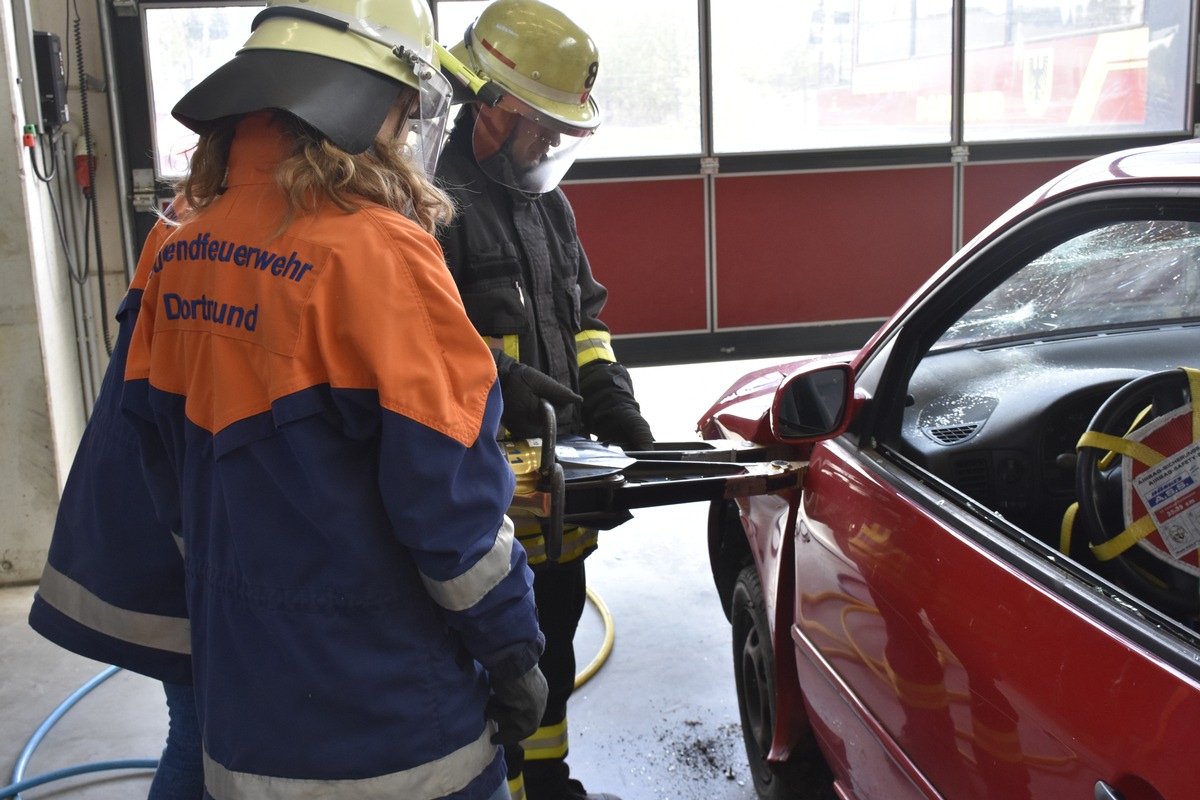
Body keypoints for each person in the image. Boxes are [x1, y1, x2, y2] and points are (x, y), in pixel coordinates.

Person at [42, 0, 550, 797]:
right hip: (392, 724)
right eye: (405, 107)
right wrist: (515, 648)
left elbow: (156, 465)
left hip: (242, 715)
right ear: (366, 102)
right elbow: (451, 515)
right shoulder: (378, 253)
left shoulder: (179, 244)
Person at [436, 3, 654, 799]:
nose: (555, 142)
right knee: (493, 660)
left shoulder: (547, 205)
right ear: (493, 103)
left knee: (553, 638)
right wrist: (498, 386)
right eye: (543, 124)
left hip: (557, 486)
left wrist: (614, 404)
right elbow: (416, 355)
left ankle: (548, 776)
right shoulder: (432, 207)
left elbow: (584, 318)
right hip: (483, 497)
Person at [28, 254, 205, 799]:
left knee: (198, 732)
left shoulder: (185, 233)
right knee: (200, 738)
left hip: (155, 518)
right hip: (166, 531)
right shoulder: (240, 248)